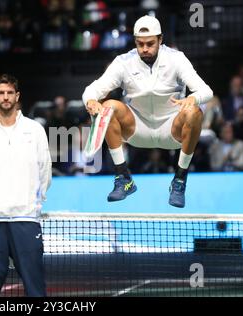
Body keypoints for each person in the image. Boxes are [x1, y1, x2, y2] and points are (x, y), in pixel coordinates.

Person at [82, 15, 213, 208]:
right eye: (140, 44)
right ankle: (123, 178)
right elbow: (92, 89)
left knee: (194, 111)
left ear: (160, 39)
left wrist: (193, 98)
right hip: (137, 128)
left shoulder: (176, 59)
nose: (144, 49)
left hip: (171, 128)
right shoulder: (123, 62)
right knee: (108, 105)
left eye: (150, 43)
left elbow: (206, 91)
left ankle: (179, 180)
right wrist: (91, 101)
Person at [0, 74, 52, 297]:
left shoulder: (35, 130)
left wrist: (32, 203)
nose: (6, 97)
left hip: (25, 219)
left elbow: (45, 170)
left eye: (10, 93)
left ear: (17, 96)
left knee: (35, 289)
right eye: (1, 93)